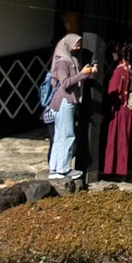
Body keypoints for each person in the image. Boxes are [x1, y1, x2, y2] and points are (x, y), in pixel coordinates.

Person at [44, 30, 87, 177]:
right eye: (76, 43)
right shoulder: (62, 62)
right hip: (63, 102)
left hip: (65, 101)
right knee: (67, 135)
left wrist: (85, 73)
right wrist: (83, 74)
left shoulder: (70, 60)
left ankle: (55, 168)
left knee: (59, 137)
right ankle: (63, 168)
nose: (78, 46)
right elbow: (66, 83)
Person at [97, 44, 132, 182]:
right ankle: (124, 170)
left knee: (117, 139)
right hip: (129, 109)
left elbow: (113, 92)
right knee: (126, 138)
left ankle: (116, 170)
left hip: (119, 111)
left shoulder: (119, 71)